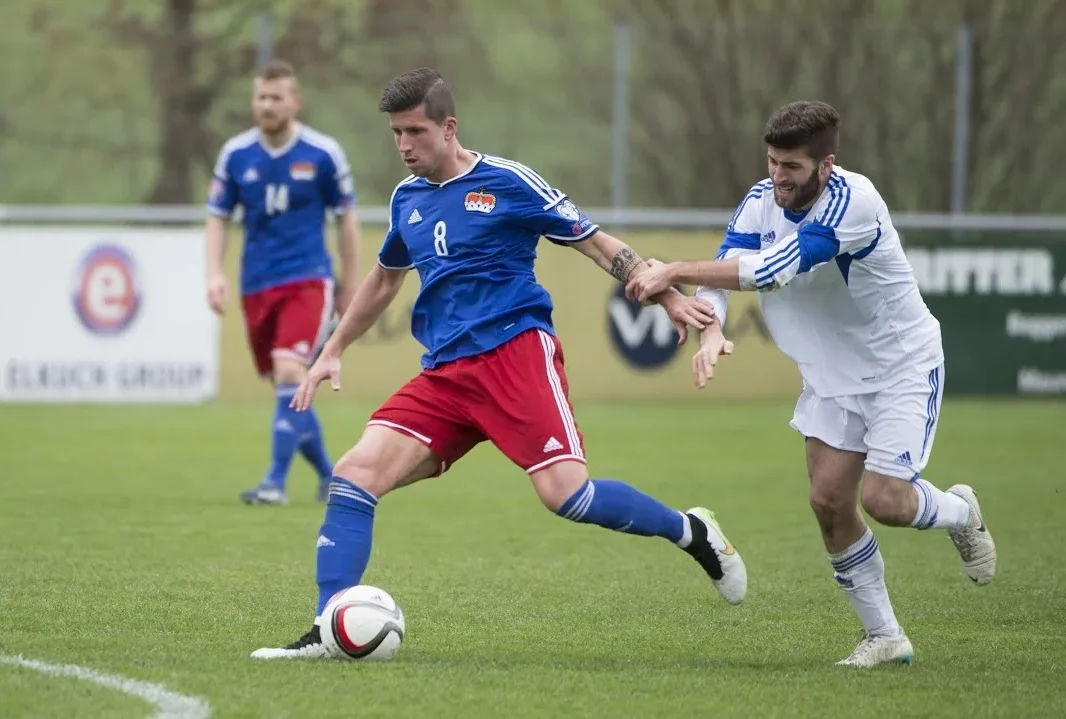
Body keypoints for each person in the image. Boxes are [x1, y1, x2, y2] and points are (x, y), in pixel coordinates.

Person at [250, 67, 748, 660]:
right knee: (354, 476)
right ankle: (327, 628)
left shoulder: (508, 182)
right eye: (395, 135)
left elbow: (595, 242)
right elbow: (385, 277)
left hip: (515, 355)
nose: (404, 146)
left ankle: (691, 531)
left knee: (568, 496)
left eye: (415, 131)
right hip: (445, 374)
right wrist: (332, 348)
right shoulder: (406, 199)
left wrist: (666, 294)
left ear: (449, 127)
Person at [626, 100, 997, 668]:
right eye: (773, 161)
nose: (778, 176)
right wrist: (709, 329)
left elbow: (772, 270)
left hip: (900, 366)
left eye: (792, 167)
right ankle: (885, 636)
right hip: (830, 377)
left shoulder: (854, 203)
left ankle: (960, 514)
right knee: (828, 502)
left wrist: (673, 270)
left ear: (826, 164)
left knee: (886, 501)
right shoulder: (760, 199)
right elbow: (728, 268)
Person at [204, 59, 362, 506]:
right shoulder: (236, 154)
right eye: (260, 97)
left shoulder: (322, 153)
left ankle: (274, 482)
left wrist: (350, 285)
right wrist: (214, 272)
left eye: (276, 97)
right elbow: (217, 218)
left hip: (308, 279)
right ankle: (332, 476)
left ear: (295, 101)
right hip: (256, 283)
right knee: (285, 384)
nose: (267, 105)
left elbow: (347, 221)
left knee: (290, 369)